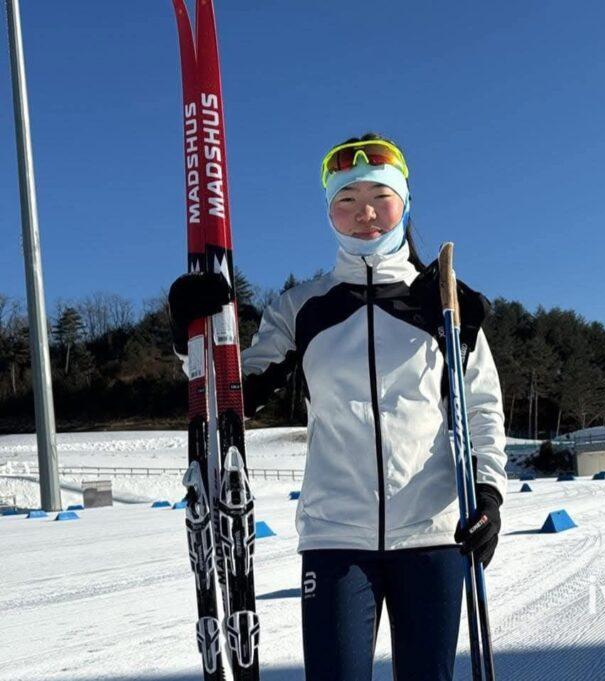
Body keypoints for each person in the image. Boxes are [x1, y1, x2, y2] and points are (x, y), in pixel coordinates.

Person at [167, 133, 507, 680]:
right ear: (329, 213)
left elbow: (481, 407)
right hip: (335, 538)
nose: (364, 213)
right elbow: (233, 398)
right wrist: (195, 339)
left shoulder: (444, 302)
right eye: (346, 200)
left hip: (432, 532)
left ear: (405, 203)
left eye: (380, 196)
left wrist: (488, 491)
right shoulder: (304, 308)